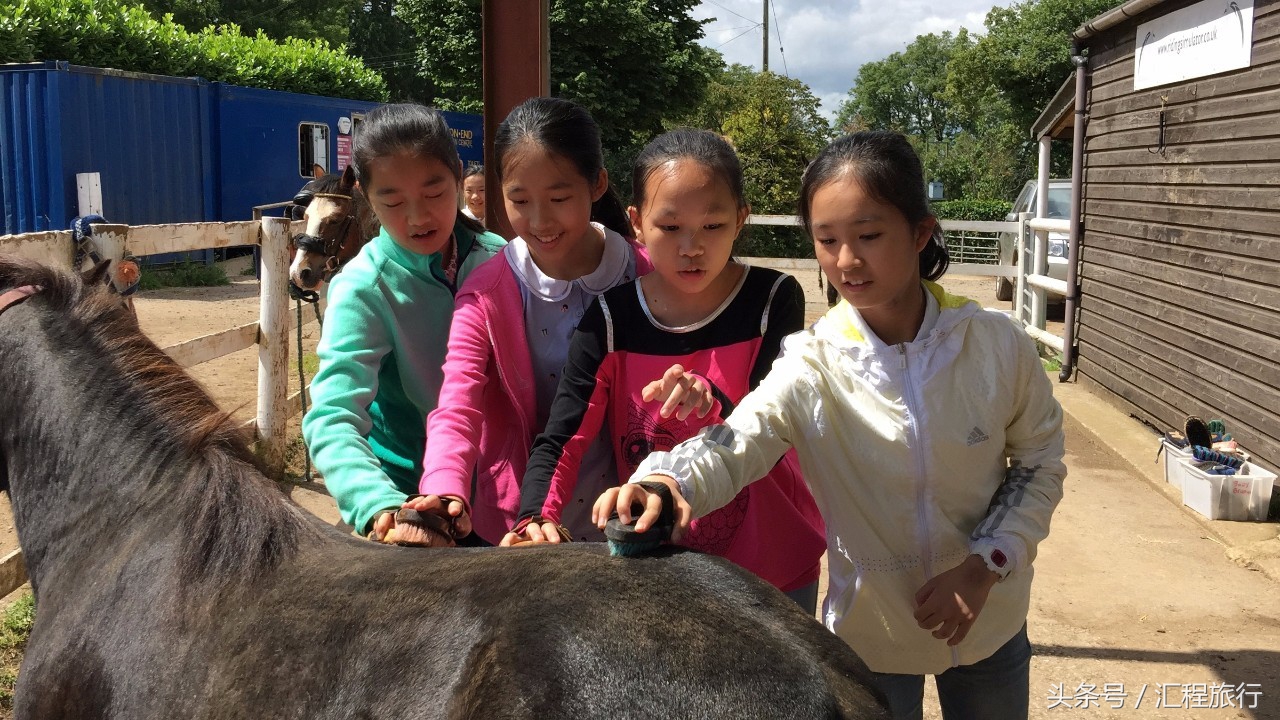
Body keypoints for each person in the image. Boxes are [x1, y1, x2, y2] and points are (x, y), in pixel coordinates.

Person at [600, 130, 1066, 720]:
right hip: (870, 639)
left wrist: (985, 566)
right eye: (827, 240)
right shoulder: (813, 362)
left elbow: (1038, 462)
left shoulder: (994, 345)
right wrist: (667, 481)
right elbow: (741, 439)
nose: (846, 261)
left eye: (869, 236)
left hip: (990, 621)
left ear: (920, 232)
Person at [502, 128, 827, 610]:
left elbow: (772, 430)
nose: (691, 247)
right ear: (636, 223)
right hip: (659, 565)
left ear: (741, 220)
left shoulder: (773, 298)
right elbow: (564, 435)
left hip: (773, 565)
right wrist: (535, 518)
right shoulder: (612, 318)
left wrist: (714, 403)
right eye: (670, 228)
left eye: (713, 226)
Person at [408, 97, 680, 545]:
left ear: (596, 185)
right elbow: (458, 399)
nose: (539, 220)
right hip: (521, 524)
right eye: (519, 199)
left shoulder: (647, 276)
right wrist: (442, 485)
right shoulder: (488, 290)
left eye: (558, 198)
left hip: (635, 519)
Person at [301, 103, 507, 544]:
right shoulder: (363, 287)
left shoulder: (499, 258)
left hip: (501, 498)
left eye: (435, 194)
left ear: (458, 176)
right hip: (411, 504)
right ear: (363, 195)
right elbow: (333, 415)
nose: (417, 218)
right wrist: (376, 503)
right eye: (392, 201)